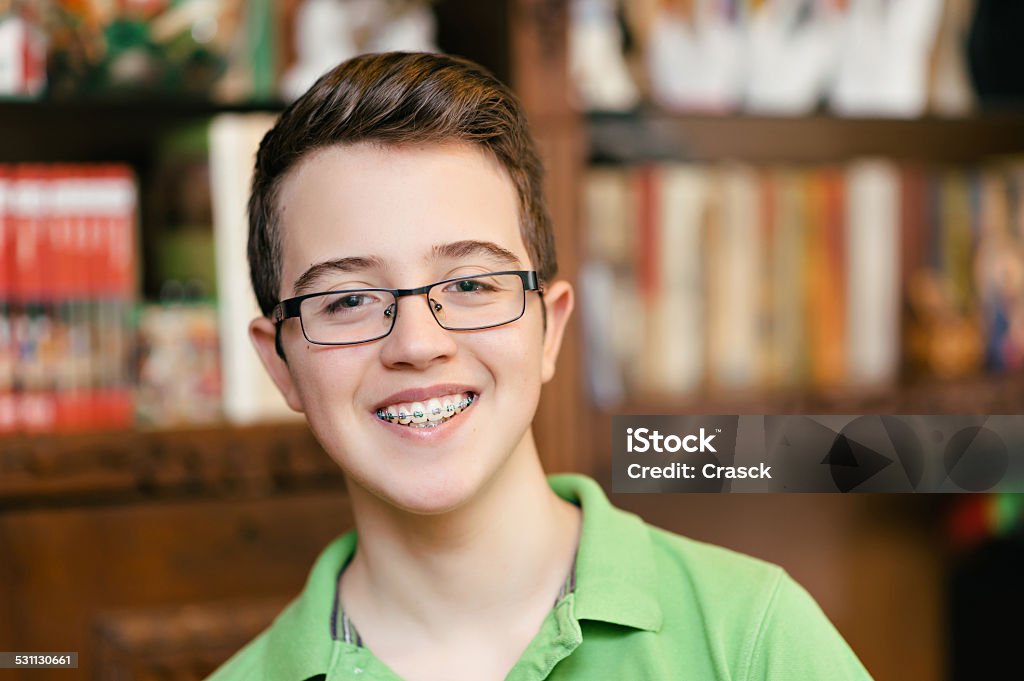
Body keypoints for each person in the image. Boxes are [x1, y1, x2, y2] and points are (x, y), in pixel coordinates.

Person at [207, 51, 872, 681]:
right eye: (348, 298)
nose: (416, 342)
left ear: (549, 327)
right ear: (281, 362)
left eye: (470, 285)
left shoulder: (751, 638)